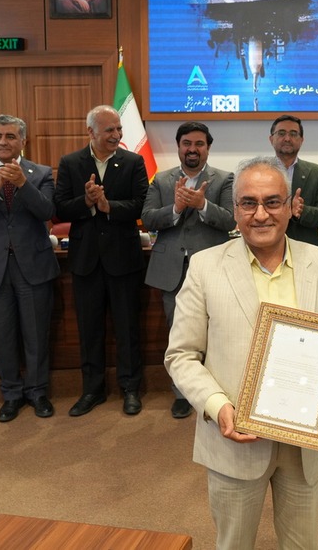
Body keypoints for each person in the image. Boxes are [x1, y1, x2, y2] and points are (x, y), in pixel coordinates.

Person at [165, 156, 318, 550]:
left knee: (303, 544)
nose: (260, 214)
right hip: (234, 437)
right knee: (234, 544)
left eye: (272, 202)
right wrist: (218, 406)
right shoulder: (205, 267)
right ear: (234, 209)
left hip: (304, 440)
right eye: (248, 203)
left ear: (290, 206)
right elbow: (181, 355)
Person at [0, 114, 59, 422]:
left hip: (33, 266)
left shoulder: (41, 173)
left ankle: (38, 392)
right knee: (1, 337)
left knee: (36, 335)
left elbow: (47, 211)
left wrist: (22, 184)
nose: (3, 142)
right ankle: (11, 395)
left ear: (23, 141)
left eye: (10, 136)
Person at [54, 105, 148, 417]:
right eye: (109, 130)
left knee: (127, 328)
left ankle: (130, 389)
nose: (117, 135)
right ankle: (92, 390)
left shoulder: (133, 162)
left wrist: (109, 206)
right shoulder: (71, 163)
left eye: (119, 129)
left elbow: (142, 205)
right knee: (89, 329)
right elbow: (59, 208)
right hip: (86, 261)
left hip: (124, 259)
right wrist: (86, 201)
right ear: (91, 132)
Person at [143, 122, 235, 420]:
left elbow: (231, 220)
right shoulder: (161, 180)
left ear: (208, 147)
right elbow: (147, 219)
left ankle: (216, 392)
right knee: (179, 333)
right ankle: (182, 393)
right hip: (172, 270)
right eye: (187, 143)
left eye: (199, 144)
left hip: (213, 269)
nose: (192, 149)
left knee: (216, 330)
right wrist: (176, 209)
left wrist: (203, 204)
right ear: (178, 147)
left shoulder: (225, 179)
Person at [269, 114, 318, 247]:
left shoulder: (317, 173)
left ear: (301, 140)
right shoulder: (259, 172)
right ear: (271, 139)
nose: (287, 138)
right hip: (267, 246)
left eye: (293, 134)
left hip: (305, 247)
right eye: (281, 133)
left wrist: (301, 210)